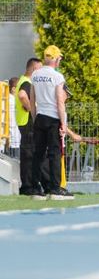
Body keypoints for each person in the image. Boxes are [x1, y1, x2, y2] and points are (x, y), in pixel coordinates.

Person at [29, 45, 70, 199]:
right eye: (59, 58)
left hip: (40, 117)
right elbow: (60, 101)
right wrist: (63, 124)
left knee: (38, 153)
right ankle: (55, 188)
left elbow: (32, 100)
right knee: (54, 154)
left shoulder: (35, 75)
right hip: (53, 118)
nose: (59, 60)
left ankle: (35, 188)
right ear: (54, 58)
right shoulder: (57, 76)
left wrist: (35, 118)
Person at [14, 58, 40, 196]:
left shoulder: (22, 80)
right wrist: (32, 111)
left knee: (27, 155)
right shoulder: (27, 82)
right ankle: (28, 186)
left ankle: (27, 185)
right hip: (28, 123)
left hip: (23, 122)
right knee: (29, 156)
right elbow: (22, 96)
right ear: (34, 69)